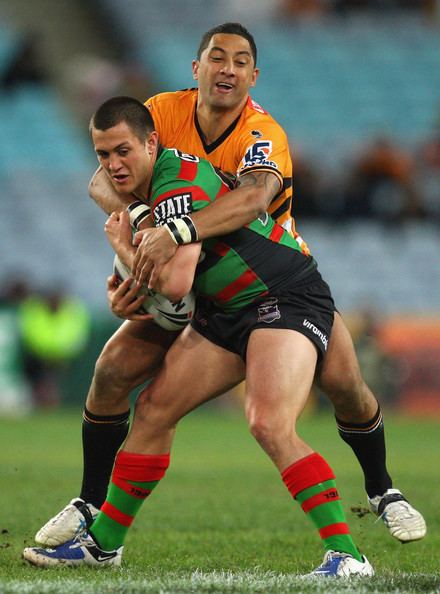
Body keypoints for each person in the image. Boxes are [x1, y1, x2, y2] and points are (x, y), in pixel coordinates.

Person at [35, 22, 425, 548]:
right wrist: (141, 244)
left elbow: (253, 200)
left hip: (272, 280)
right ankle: (90, 505)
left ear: (254, 77)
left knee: (345, 387)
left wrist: (170, 231)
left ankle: (383, 490)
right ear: (196, 69)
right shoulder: (161, 115)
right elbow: (104, 179)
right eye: (217, 57)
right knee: (113, 372)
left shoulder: (262, 134)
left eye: (241, 61)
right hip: (202, 286)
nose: (228, 69)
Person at [23, 96, 374, 577]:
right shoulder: (150, 191)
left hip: (284, 296)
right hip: (228, 308)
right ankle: (103, 544)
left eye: (123, 151)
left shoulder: (177, 184)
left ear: (151, 142)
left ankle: (349, 557)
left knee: (269, 422)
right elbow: (171, 295)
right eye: (103, 155)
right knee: (153, 409)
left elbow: (174, 286)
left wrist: (122, 247)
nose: (113, 165)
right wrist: (130, 282)